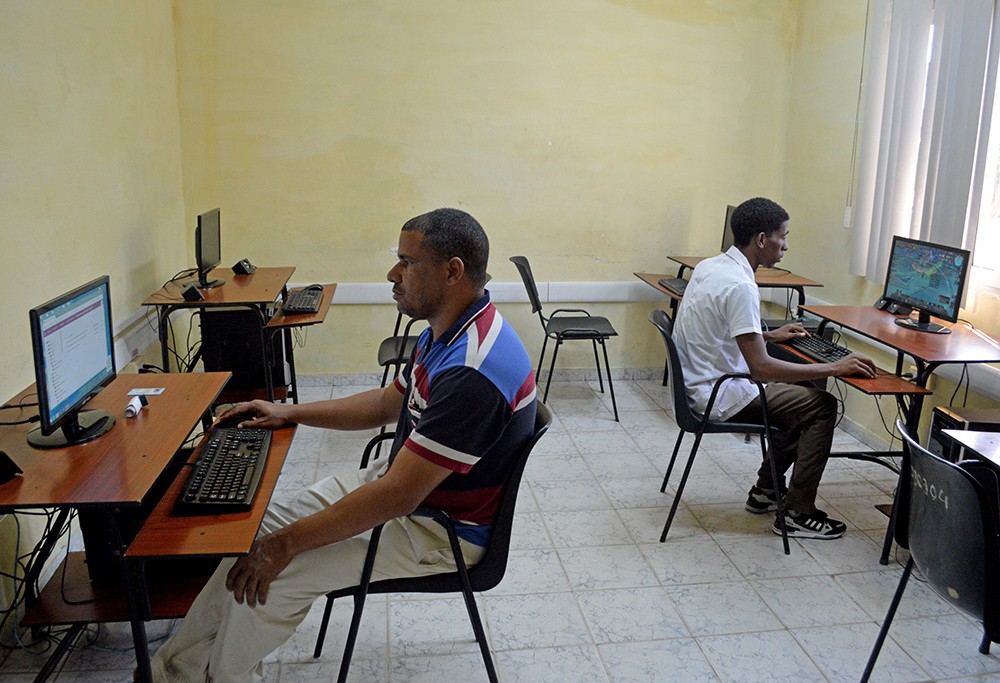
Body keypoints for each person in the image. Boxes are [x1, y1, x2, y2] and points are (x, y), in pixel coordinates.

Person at [150, 208, 537, 683]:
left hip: (439, 532)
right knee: (253, 536)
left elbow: (399, 497)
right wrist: (288, 412)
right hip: (405, 489)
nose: (392, 275)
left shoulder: (471, 372)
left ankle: (214, 677)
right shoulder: (445, 330)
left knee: (274, 574)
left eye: (406, 262)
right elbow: (386, 403)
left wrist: (285, 547)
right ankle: (172, 673)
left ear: (452, 271)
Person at [672, 197, 876, 540]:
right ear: (762, 239)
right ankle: (798, 512)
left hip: (702, 382)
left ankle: (766, 490)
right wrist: (835, 368)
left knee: (800, 400)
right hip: (719, 393)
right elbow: (762, 368)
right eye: (783, 236)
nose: (786, 245)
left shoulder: (712, 266)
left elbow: (721, 329)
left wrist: (768, 334)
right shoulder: (740, 285)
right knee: (820, 405)